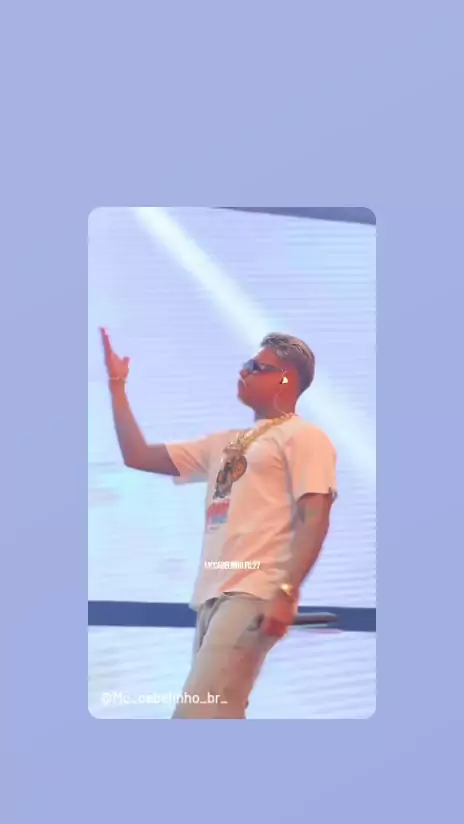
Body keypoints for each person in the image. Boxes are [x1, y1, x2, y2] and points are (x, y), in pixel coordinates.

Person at [100, 328, 337, 719]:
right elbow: (137, 455)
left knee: (195, 717)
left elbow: (316, 517)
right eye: (245, 364)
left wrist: (285, 592)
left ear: (285, 379)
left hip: (253, 593)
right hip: (212, 598)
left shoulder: (305, 437)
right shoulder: (224, 442)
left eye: (255, 367)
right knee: (219, 715)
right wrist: (116, 385)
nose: (243, 372)